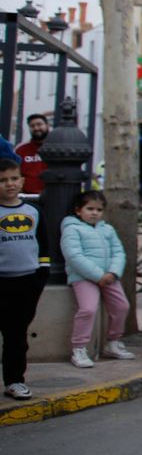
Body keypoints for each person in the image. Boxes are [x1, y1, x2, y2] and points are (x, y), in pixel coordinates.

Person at [62, 191, 134, 368]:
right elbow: (73, 256)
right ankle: (79, 348)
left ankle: (113, 342)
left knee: (122, 306)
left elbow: (118, 252)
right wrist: (98, 276)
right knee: (88, 309)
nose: (94, 213)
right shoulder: (72, 229)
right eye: (90, 209)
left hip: (109, 277)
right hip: (83, 277)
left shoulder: (107, 229)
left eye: (99, 210)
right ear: (78, 210)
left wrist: (113, 273)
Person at [0, 160, 46, 399]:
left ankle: (14, 380)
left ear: (22, 181)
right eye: (2, 180)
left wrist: (41, 274)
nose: (9, 184)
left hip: (27, 282)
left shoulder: (33, 211)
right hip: (2, 282)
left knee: (16, 335)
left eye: (14, 178)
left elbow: (44, 244)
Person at [15, 113, 49, 195]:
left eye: (39, 124)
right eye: (32, 126)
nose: (36, 128)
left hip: (51, 195)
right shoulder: (20, 149)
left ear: (47, 125)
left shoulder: (57, 147)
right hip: (27, 196)